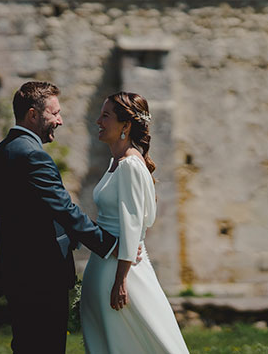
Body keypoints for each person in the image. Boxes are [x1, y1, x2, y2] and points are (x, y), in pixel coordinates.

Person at [0, 81, 118, 354]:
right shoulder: (32, 155)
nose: (60, 120)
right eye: (54, 113)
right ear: (33, 115)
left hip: (17, 270)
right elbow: (64, 209)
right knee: (46, 345)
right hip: (41, 273)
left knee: (27, 345)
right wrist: (109, 244)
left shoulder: (3, 151)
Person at [80, 92, 189, 354]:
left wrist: (121, 280)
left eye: (105, 116)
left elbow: (134, 223)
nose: (98, 121)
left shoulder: (130, 165)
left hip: (120, 269)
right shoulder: (114, 163)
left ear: (125, 126)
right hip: (103, 264)